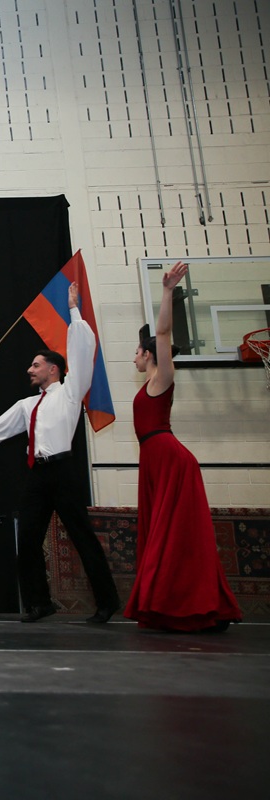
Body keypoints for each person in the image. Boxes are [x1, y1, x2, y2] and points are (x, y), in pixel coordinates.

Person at [0, 282, 121, 623]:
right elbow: (0, 428)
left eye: (36, 365)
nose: (30, 370)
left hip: (63, 472)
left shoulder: (70, 392)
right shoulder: (27, 405)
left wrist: (73, 309)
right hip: (38, 475)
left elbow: (81, 353)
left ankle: (107, 603)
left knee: (82, 537)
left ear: (53, 369)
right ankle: (39, 603)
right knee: (27, 539)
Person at [126, 262, 242, 632]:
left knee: (176, 534)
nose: (134, 357)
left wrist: (166, 291)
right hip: (154, 460)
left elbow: (162, 331)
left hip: (170, 460)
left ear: (148, 355)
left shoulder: (162, 378)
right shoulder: (148, 384)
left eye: (137, 352)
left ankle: (195, 607)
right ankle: (166, 604)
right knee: (164, 534)